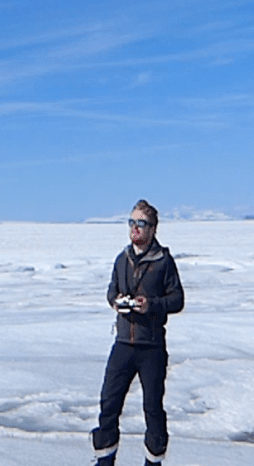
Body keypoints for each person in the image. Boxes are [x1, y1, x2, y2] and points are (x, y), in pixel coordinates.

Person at [91, 200, 184, 466]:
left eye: (140, 223)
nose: (135, 228)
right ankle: (104, 461)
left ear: (153, 229)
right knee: (108, 404)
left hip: (151, 346)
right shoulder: (122, 259)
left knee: (152, 409)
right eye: (131, 222)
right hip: (123, 343)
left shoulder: (163, 261)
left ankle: (153, 462)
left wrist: (150, 305)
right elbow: (111, 289)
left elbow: (177, 299)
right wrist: (116, 301)